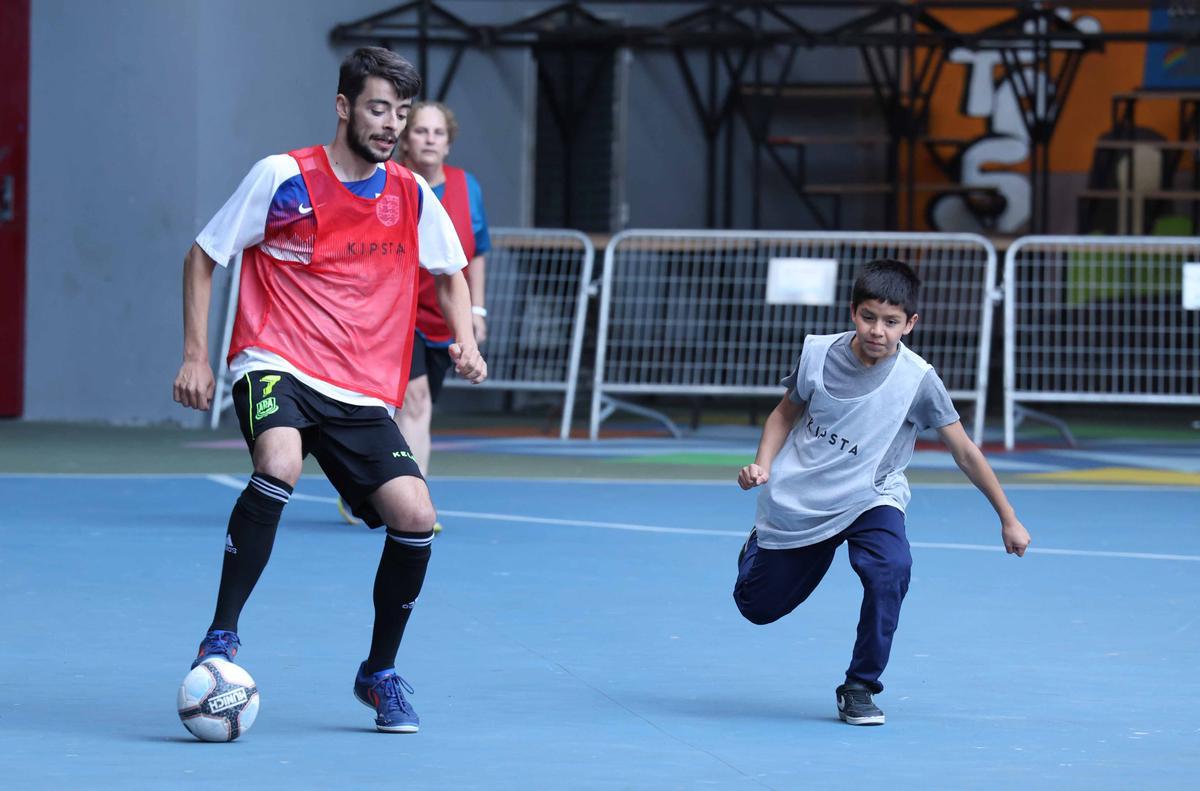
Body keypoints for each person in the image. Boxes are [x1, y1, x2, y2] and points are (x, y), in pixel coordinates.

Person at [172, 47, 486, 734]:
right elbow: (203, 255)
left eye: (401, 114)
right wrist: (197, 355)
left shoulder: (408, 192)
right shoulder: (284, 177)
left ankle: (379, 673)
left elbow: (451, 272)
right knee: (279, 460)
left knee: (414, 514)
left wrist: (465, 337)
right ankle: (220, 636)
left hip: (357, 387)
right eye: (379, 109)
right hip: (273, 360)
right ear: (344, 106)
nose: (391, 125)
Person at [733, 259, 1030, 727]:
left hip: (871, 496)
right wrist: (762, 465)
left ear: (910, 324)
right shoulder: (817, 354)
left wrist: (1008, 516)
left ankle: (860, 686)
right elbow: (783, 414)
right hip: (803, 500)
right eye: (869, 317)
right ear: (853, 312)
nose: (878, 330)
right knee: (757, 607)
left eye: (891, 322)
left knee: (891, 568)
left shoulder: (918, 381)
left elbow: (966, 452)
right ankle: (760, 547)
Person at [336, 101, 491, 531]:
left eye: (437, 133)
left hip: (445, 316)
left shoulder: (466, 187)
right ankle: (412, 500)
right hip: (396, 315)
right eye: (420, 130)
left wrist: (474, 311)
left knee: (409, 410)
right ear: (406, 137)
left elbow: (474, 252)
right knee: (415, 402)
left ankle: (367, 485)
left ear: (449, 141)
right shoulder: (386, 182)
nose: (428, 139)